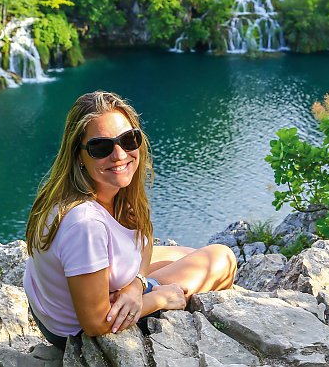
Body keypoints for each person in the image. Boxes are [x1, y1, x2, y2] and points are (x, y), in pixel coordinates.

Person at [23, 91, 237, 350]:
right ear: (78, 155)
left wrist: (136, 284)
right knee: (222, 259)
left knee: (189, 255)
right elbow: (96, 323)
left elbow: (143, 243)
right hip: (76, 332)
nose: (119, 155)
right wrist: (157, 298)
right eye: (101, 147)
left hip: (51, 307)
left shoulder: (105, 191)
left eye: (128, 140)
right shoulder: (85, 224)